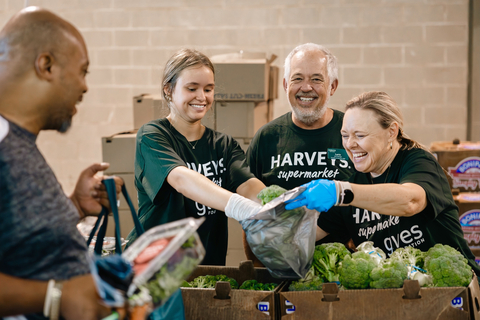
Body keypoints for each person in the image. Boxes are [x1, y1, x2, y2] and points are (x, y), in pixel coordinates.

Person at [0, 7, 123, 320]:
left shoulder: (18, 142)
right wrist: (55, 296)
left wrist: (75, 206)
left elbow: (22, 244)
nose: (84, 87)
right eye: (82, 71)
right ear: (46, 65)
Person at [125, 48, 265, 319]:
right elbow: (181, 179)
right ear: (169, 90)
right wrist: (239, 207)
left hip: (207, 271)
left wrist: (283, 203)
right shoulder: (152, 136)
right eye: (192, 88)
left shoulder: (223, 144)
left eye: (209, 89)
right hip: (158, 272)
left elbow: (249, 185)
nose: (202, 97)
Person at [286, 91, 480, 275]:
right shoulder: (355, 180)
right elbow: (303, 236)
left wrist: (341, 192)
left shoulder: (418, 162)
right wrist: (266, 221)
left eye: (360, 135)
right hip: (397, 298)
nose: (350, 144)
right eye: (345, 135)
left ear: (391, 132)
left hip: (455, 293)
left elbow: (410, 201)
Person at [244, 43, 355, 262]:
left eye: (316, 79)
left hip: (343, 271)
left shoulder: (352, 132)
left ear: (332, 86)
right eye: (297, 79)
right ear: (285, 85)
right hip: (280, 266)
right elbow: (250, 212)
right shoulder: (266, 138)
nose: (306, 87)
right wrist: (256, 267)